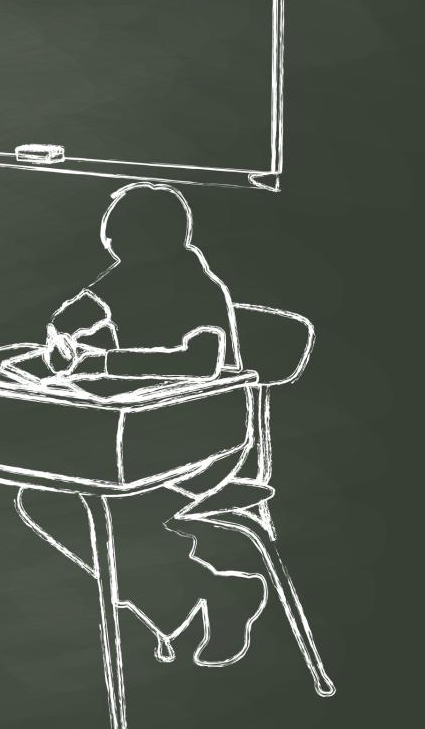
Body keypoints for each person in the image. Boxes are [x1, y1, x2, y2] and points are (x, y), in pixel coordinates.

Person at [27, 182, 267, 666]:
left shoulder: (197, 286)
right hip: (137, 437)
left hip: (207, 439)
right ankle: (214, 592)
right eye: (113, 245)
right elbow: (74, 312)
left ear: (158, 240)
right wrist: (62, 335)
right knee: (43, 496)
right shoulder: (124, 275)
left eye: (123, 242)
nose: (115, 253)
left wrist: (106, 362)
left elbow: (202, 362)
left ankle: (204, 593)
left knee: (100, 511)